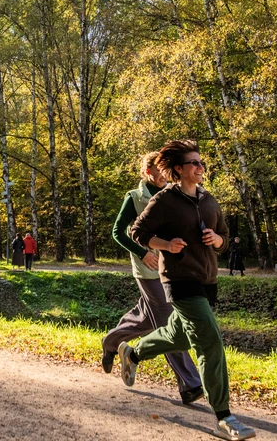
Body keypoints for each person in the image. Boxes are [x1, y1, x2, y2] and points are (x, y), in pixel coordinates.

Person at [120, 139, 256, 440]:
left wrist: (217, 241)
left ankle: (133, 353)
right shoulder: (164, 201)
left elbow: (223, 234)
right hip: (179, 280)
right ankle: (223, 417)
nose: (200, 167)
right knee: (209, 342)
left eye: (201, 162)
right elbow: (137, 232)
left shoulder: (209, 200)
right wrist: (166, 245)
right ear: (179, 170)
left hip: (207, 279)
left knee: (176, 334)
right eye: (193, 163)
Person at [102, 151, 204, 406]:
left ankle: (111, 341)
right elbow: (118, 232)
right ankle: (190, 383)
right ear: (149, 172)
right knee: (168, 322)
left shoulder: (173, 195)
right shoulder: (135, 198)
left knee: (146, 318)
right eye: (160, 171)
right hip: (148, 270)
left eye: (167, 171)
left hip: (172, 269)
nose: (165, 175)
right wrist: (142, 252)